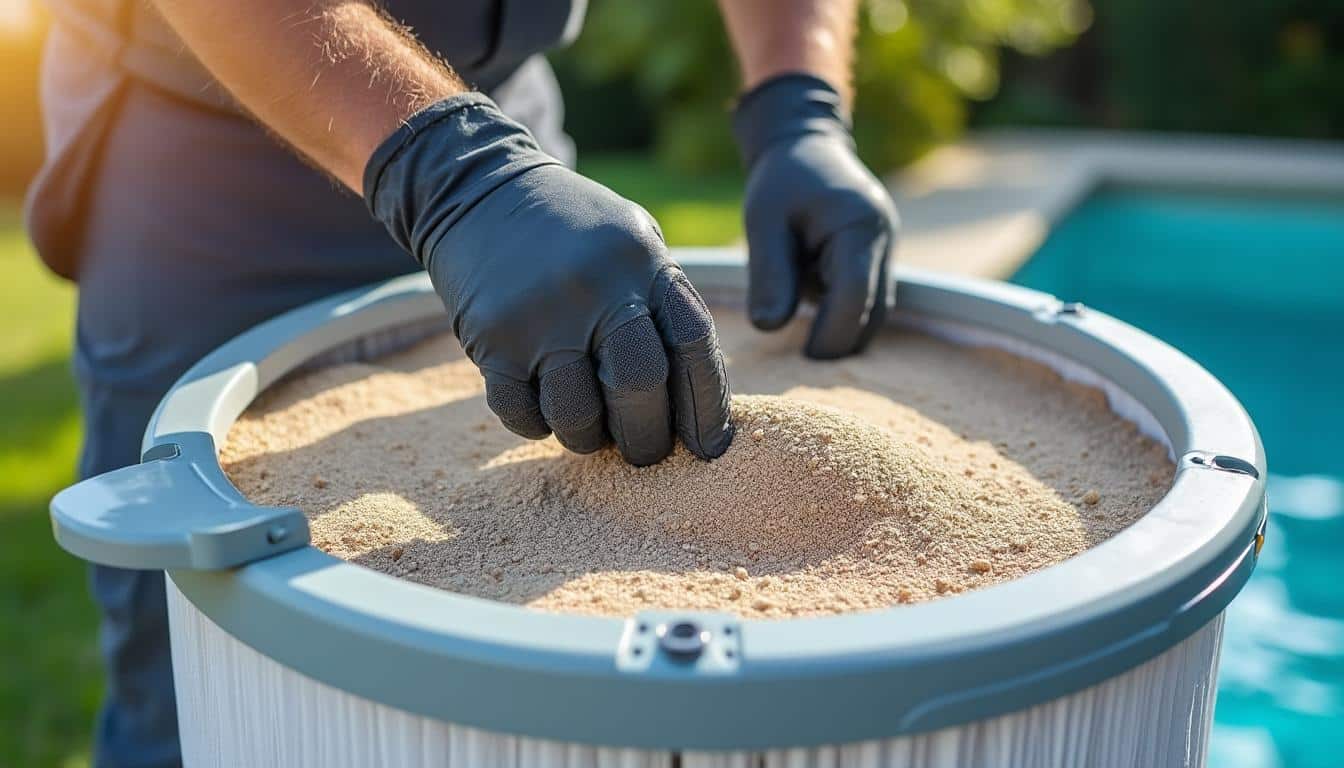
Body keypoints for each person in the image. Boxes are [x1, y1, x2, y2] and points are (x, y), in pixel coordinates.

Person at [26, 1, 899, 765]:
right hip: (218, 168)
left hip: (500, 136)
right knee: (197, 677)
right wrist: (455, 175)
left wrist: (799, 106)